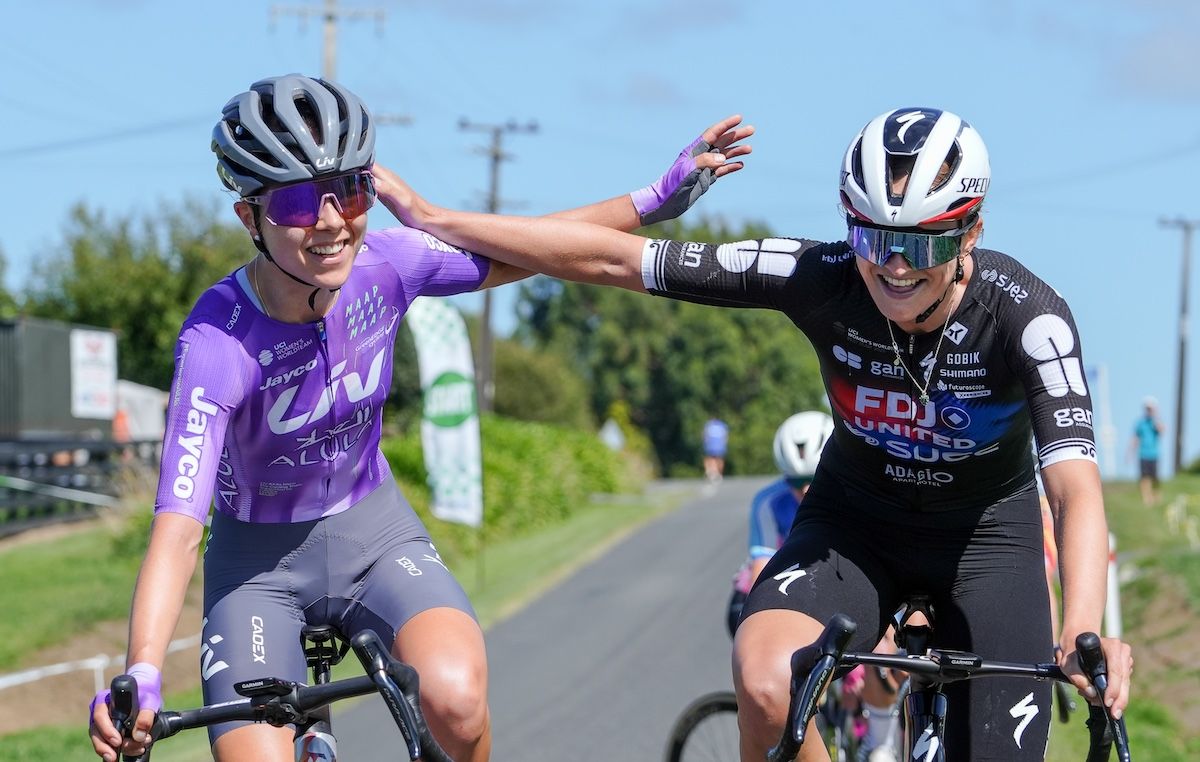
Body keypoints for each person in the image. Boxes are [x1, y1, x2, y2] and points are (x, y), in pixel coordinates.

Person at [373, 105, 1133, 760]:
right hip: (855, 523)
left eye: (923, 244)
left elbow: (1072, 491)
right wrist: (439, 221)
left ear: (971, 231)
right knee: (770, 677)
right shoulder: (822, 276)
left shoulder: (1028, 316)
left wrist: (1082, 631)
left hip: (984, 540)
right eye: (873, 238)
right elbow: (611, 260)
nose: (895, 267)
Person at [87, 73, 753, 762]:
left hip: (374, 534)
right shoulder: (215, 343)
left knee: (458, 702)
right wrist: (141, 667)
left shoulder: (387, 266)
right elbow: (177, 526)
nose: (328, 222)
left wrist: (650, 201)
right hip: (258, 570)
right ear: (249, 218)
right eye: (293, 202)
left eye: (349, 191)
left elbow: (533, 245)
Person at [728, 411, 832, 636]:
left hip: (836, 578)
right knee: (744, 623)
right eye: (796, 482)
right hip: (790, 579)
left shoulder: (852, 494)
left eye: (814, 479)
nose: (805, 489)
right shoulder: (767, 501)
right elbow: (762, 566)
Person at [1130, 396, 1163, 506]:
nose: (1148, 411)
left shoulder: (1156, 422)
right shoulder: (1140, 423)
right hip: (1143, 454)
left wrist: (1155, 418)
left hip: (1154, 454)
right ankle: (1147, 498)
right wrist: (1130, 452)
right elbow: (1135, 438)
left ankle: (1156, 496)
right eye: (1147, 408)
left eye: (1150, 408)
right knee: (1144, 478)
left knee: (1155, 478)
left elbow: (1162, 430)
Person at [702, 416, 730, 482]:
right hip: (720, 445)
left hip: (710, 445)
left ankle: (710, 471)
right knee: (719, 459)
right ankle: (718, 473)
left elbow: (705, 436)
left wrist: (705, 443)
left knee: (710, 458)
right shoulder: (722, 425)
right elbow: (726, 437)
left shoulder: (708, 425)